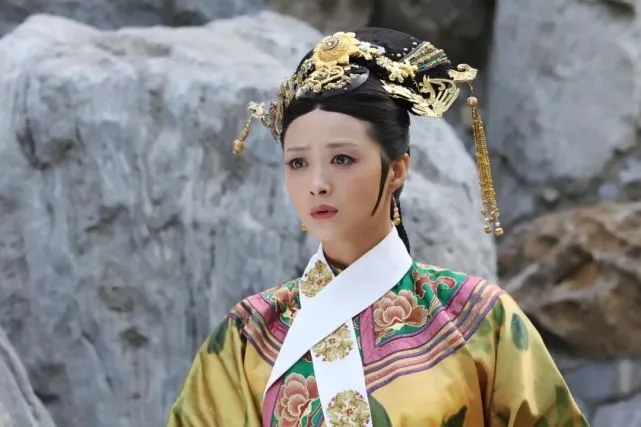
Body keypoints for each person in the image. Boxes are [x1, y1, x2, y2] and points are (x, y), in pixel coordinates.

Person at [166, 27, 589, 427]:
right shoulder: (249, 334)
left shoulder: (476, 317)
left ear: (397, 170)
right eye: (298, 163)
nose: (317, 184)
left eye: (342, 159)